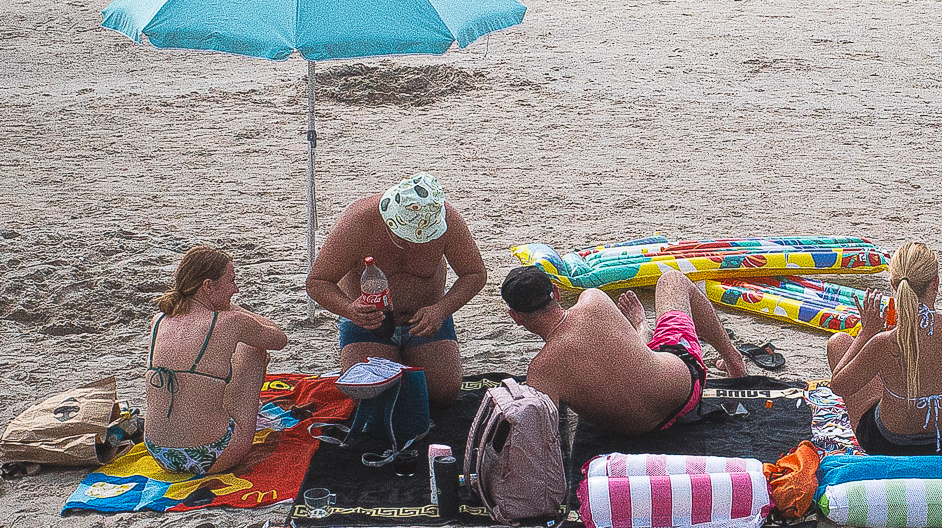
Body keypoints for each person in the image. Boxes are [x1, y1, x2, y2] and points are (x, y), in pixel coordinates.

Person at [499, 264, 749, 434]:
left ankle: (643, 328)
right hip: (684, 390)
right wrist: (640, 326)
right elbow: (633, 360)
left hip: (634, 432)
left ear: (515, 316)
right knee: (672, 280)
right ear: (556, 292)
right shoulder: (593, 300)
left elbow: (547, 434)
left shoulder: (540, 373)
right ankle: (734, 361)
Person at [304, 173, 486, 406]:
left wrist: (441, 309)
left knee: (443, 394)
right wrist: (349, 309)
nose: (413, 245)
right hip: (369, 322)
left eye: (423, 238)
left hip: (425, 320)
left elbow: (475, 274)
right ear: (389, 221)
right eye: (405, 237)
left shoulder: (448, 219)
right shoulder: (357, 222)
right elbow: (317, 281)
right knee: (371, 396)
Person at [143, 246, 289, 477]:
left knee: (205, 375)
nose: (235, 289)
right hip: (213, 453)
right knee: (253, 348)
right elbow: (279, 338)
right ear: (208, 286)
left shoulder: (159, 320)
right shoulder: (231, 321)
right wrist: (231, 308)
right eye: (231, 281)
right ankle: (242, 418)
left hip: (160, 453)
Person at [826, 240, 942, 455]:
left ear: (894, 286)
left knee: (839, 342)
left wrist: (867, 332)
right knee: (915, 377)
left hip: (888, 444)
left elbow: (839, 385)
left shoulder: (885, 341)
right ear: (935, 283)